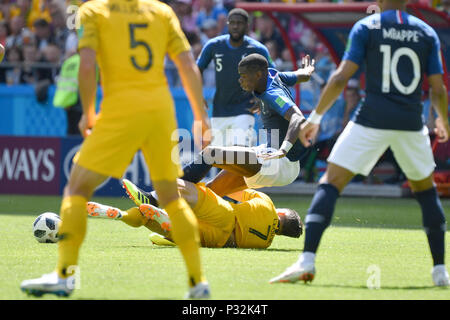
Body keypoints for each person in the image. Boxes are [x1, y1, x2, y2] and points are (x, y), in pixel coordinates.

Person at [20, 0, 212, 299]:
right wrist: (201, 117)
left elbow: (86, 65)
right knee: (172, 198)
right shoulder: (161, 12)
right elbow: (187, 65)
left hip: (121, 109)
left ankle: (65, 276)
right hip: (160, 110)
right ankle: (197, 282)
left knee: (76, 190)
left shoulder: (94, 11)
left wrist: (86, 111)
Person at [270, 0, 450, 287]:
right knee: (426, 192)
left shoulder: (367, 26)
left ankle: (307, 261)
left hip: (371, 119)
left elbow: (341, 77)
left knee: (330, 183)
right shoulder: (426, 31)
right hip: (410, 122)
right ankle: (440, 272)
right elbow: (438, 89)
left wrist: (315, 117)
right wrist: (442, 120)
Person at [134, 53, 315, 206]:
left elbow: (297, 118)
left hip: (279, 162)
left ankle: (156, 198)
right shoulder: (273, 74)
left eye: (244, 76)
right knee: (212, 192)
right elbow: (299, 76)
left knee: (210, 154)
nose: (240, 80)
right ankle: (180, 219)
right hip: (272, 157)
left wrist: (284, 149)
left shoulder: (272, 94)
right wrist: (307, 71)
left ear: (259, 74)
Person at [87, 178, 303, 249]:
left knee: (189, 186)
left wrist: (201, 188)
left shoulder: (267, 203)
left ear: (283, 213)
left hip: (226, 215)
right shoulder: (266, 243)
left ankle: (151, 199)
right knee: (165, 225)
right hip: (221, 240)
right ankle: (164, 223)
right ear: (283, 233)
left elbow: (228, 188)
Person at [196, 8, 274, 149]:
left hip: (245, 109)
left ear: (247, 25)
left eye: (239, 23)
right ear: (227, 24)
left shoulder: (257, 48)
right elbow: (197, 69)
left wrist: (262, 96)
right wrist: (198, 94)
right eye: (232, 23)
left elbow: (273, 73)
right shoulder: (214, 46)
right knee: (221, 160)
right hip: (220, 110)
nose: (235, 26)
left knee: (239, 153)